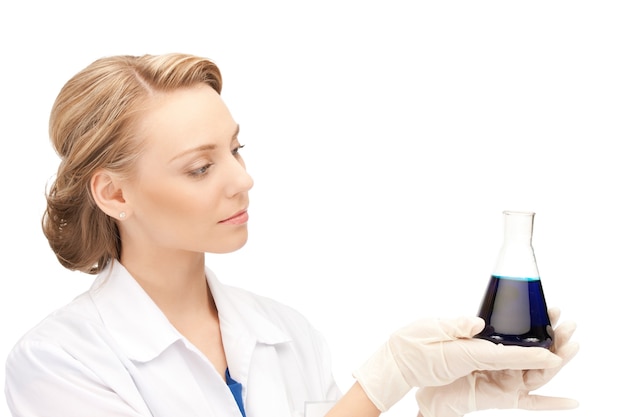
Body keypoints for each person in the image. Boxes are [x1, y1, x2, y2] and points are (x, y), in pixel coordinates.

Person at [4, 53, 579, 417]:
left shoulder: (284, 333)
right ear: (115, 195)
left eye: (235, 149)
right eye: (200, 168)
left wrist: (438, 411)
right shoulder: (59, 362)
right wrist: (383, 383)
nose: (243, 180)